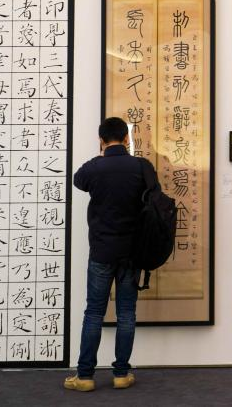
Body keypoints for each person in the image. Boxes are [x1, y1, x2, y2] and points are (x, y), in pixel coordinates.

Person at [64, 117, 157, 392]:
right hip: (131, 253)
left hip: (102, 251)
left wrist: (102, 156)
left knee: (94, 312)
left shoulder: (95, 167)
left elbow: (78, 180)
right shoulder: (141, 166)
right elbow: (156, 196)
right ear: (127, 139)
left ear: (101, 140)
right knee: (126, 312)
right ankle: (121, 374)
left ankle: (84, 376)